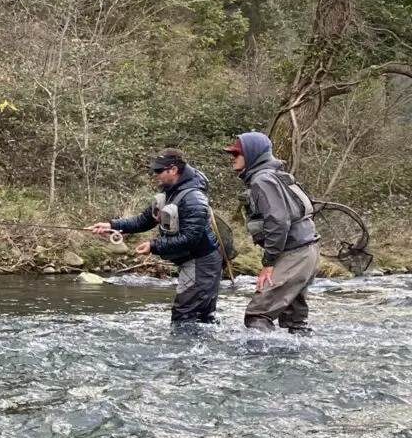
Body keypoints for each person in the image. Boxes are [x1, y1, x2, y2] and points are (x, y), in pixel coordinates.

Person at [89, 148, 222, 325]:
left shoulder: (193, 199)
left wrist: (154, 245)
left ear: (173, 170)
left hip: (202, 263)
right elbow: (143, 221)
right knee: (197, 317)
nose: (155, 175)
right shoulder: (169, 193)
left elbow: (190, 239)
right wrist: (112, 225)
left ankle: (187, 350)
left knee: (185, 316)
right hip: (191, 262)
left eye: (159, 171)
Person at [223, 132, 318, 335]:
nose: (232, 158)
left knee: (258, 314)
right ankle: (296, 362)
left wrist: (269, 263)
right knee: (295, 320)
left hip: (293, 254)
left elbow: (278, 222)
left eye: (236, 153)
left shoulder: (262, 180)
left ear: (251, 154)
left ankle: (259, 365)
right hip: (306, 251)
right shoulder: (272, 176)